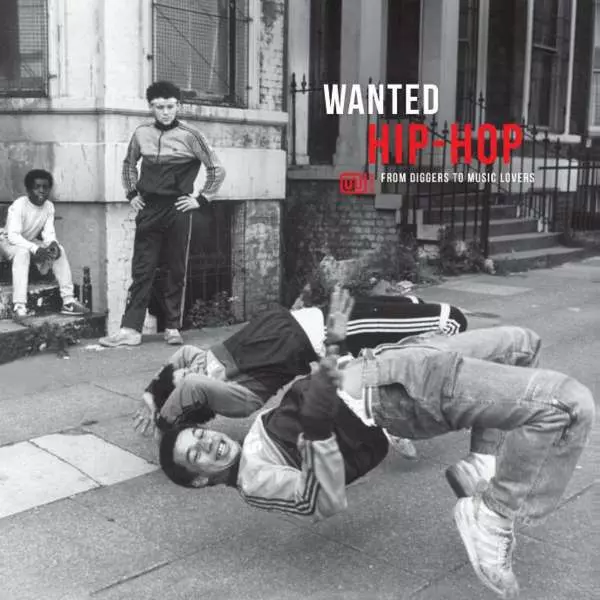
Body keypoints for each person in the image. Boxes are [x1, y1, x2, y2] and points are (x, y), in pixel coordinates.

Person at [158, 288, 595, 599]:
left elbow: (299, 391)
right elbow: (321, 500)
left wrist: (332, 348)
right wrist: (317, 428)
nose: (209, 443)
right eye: (197, 454)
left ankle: (481, 462)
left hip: (384, 364)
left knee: (521, 345)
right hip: (395, 396)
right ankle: (495, 514)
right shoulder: (255, 481)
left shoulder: (254, 437)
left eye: (201, 435)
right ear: (200, 481)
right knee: (566, 406)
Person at [138, 294, 467, 458]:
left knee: (410, 304)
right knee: (451, 320)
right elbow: (191, 384)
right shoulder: (238, 398)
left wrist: (151, 395)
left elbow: (182, 356)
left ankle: (400, 405)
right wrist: (165, 426)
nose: (187, 370)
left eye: (184, 372)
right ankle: (447, 385)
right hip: (330, 333)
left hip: (317, 317)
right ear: (197, 401)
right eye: (183, 378)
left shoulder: (201, 362)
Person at [99, 80, 226, 348]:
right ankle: (130, 330)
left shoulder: (192, 135)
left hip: (178, 207)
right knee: (142, 269)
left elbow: (216, 169)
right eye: (159, 107)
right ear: (151, 107)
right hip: (149, 207)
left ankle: (172, 327)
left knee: (175, 268)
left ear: (178, 106)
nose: (165, 112)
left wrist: (201, 199)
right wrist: (132, 194)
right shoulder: (141, 133)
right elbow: (128, 164)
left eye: (170, 106)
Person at [0, 169, 89, 319]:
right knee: (22, 252)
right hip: (7, 241)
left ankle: (68, 301)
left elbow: (48, 233)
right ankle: (19, 306)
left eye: (45, 187)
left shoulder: (49, 207)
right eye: (37, 187)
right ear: (29, 190)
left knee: (59, 250)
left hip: (28, 241)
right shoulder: (20, 205)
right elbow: (13, 236)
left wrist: (52, 244)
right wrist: (35, 249)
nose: (41, 190)